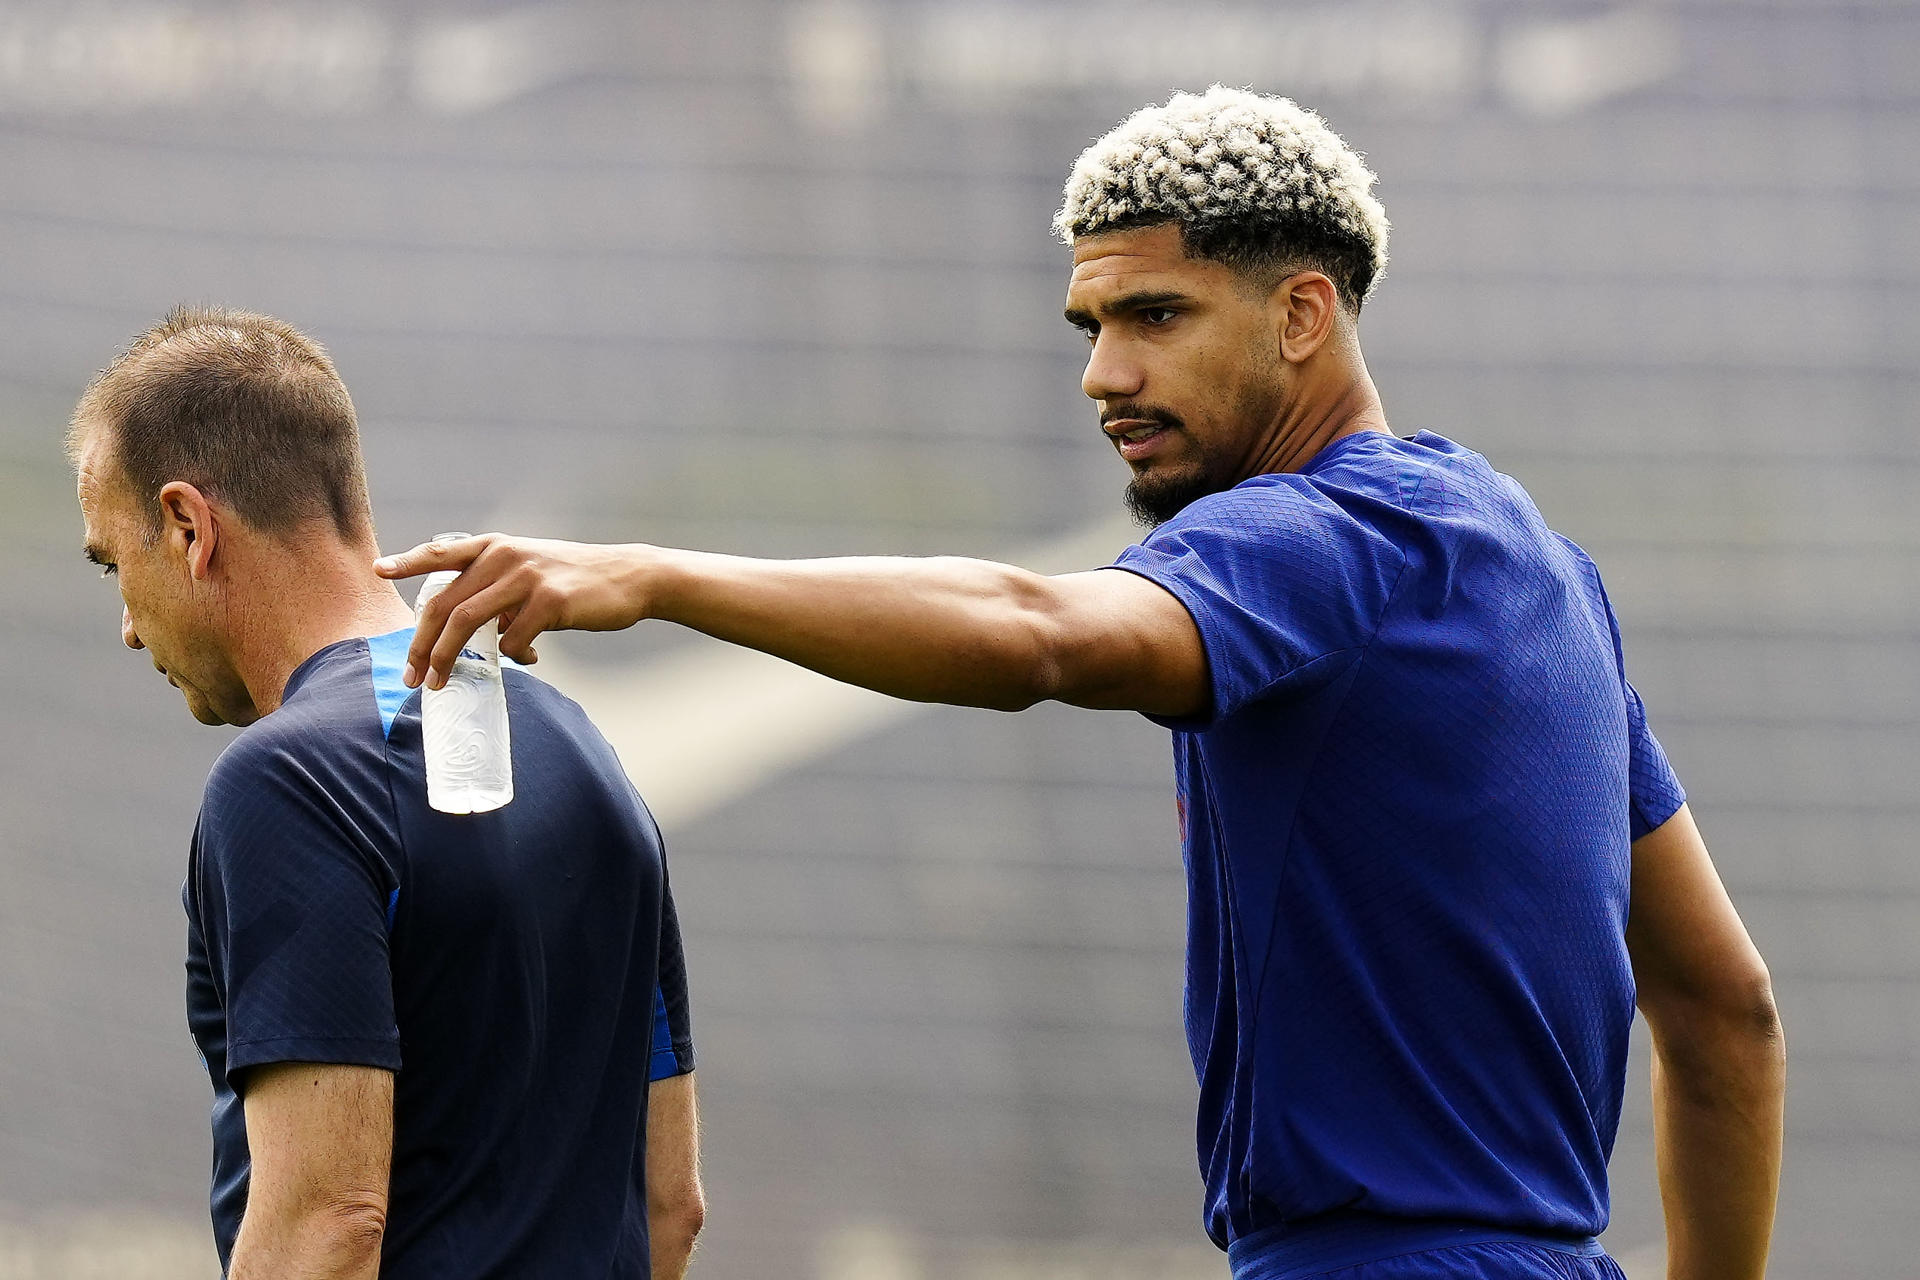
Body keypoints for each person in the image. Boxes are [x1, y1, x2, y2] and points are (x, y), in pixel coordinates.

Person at [380, 88, 1784, 1280]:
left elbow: (1039, 630)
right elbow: (1727, 1013)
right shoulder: (1540, 568)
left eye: (1157, 316)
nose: (1106, 373)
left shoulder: (1315, 536)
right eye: (1090, 326)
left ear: (1304, 313)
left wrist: (657, 575)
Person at [70, 306, 705, 1280]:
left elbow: (326, 1229)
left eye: (117, 564)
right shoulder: (585, 749)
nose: (126, 623)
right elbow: (672, 1205)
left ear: (188, 525)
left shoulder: (289, 779)